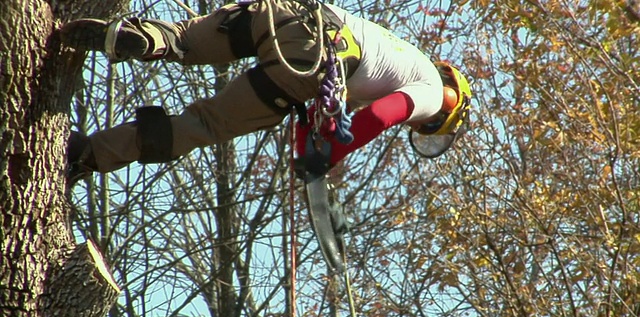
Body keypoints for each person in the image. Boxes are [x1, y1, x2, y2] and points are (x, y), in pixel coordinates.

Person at [61, 0, 472, 184]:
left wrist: (311, 149)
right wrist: (326, 157)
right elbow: (383, 116)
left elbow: (323, 115)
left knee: (183, 39)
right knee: (205, 123)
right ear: (447, 111)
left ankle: (139, 38)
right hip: (313, 58)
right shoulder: (434, 94)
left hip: (293, 12)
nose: (425, 122)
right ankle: (85, 154)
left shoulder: (402, 55)